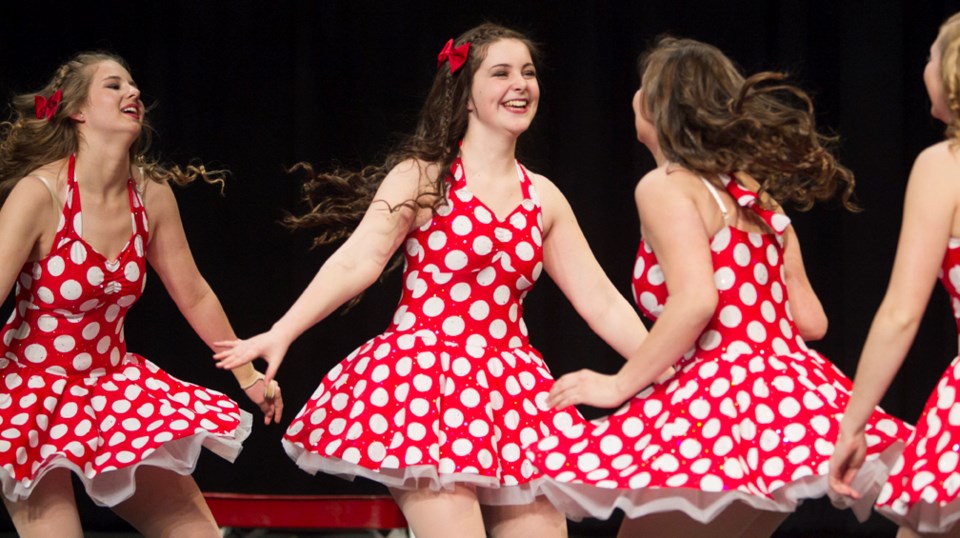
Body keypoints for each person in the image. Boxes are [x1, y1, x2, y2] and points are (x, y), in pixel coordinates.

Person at [213, 22, 665, 538]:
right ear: (466, 93)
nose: (521, 84)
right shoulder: (424, 177)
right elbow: (356, 261)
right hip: (427, 383)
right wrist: (283, 330)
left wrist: (667, 364)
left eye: (528, 73)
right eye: (501, 73)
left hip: (513, 392)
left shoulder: (544, 197)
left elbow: (602, 302)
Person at [527, 37, 912, 538]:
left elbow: (696, 301)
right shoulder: (755, 195)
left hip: (721, 402)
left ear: (660, 104)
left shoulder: (667, 186)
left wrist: (618, 384)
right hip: (786, 401)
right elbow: (812, 321)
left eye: (644, 85)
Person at [0, 51, 282, 537]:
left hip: (111, 388)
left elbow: (193, 294)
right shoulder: (40, 194)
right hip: (31, 393)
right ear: (77, 111)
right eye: (114, 85)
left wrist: (247, 373)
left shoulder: (150, 196)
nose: (133, 93)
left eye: (133, 86)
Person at [830, 12, 960, 538]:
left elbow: (902, 312)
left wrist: (853, 422)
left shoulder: (945, 166)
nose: (924, 65)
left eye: (930, 54)